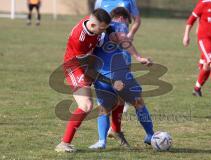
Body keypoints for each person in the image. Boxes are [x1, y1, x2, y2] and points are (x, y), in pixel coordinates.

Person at [88, 7, 154, 149]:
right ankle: (150, 135)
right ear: (122, 18)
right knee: (138, 103)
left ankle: (101, 141)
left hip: (100, 75)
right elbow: (123, 39)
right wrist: (138, 57)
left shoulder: (93, 28)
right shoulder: (118, 24)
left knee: (104, 109)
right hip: (119, 73)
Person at [55, 9, 118, 152]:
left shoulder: (95, 23)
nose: (103, 32)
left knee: (113, 96)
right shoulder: (80, 38)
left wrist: (111, 32)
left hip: (88, 63)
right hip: (75, 67)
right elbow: (86, 65)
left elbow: (108, 26)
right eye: (102, 29)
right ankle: (63, 144)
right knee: (86, 105)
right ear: (94, 26)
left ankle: (115, 129)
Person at [94, 0, 141, 143]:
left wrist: (130, 33)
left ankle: (115, 130)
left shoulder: (129, 1)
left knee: (121, 94)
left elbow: (137, 20)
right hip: (104, 54)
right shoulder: (100, 1)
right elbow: (95, 19)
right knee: (106, 98)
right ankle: (106, 135)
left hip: (122, 51)